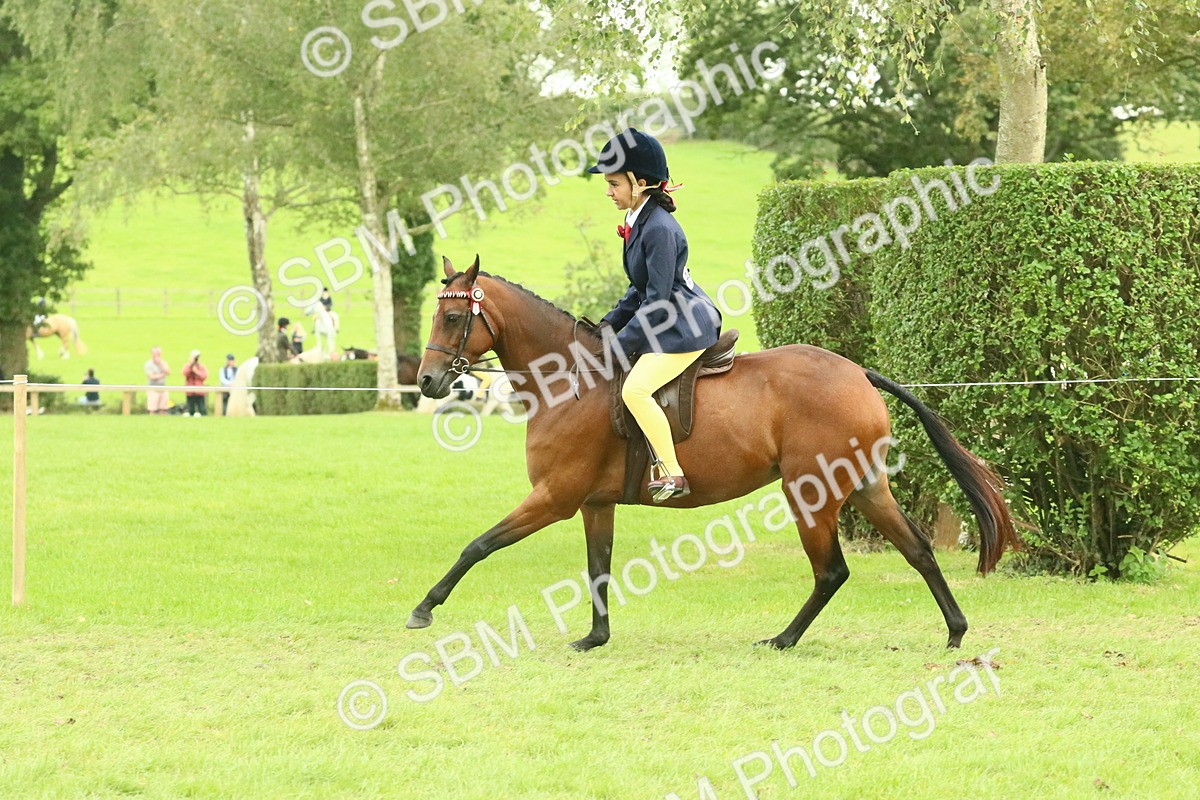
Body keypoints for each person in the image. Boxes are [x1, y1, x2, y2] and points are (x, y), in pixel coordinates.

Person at [587, 127, 722, 502]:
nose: (608, 192)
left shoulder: (659, 229)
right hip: (668, 315)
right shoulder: (640, 221)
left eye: (614, 184)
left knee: (635, 389)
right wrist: (607, 325)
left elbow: (658, 302)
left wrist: (619, 345)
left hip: (684, 325)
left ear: (640, 183)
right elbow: (639, 289)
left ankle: (673, 473)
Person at [182, 349, 209, 416]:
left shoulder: (201, 367)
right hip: (190, 391)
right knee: (191, 410)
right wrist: (190, 366)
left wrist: (196, 371)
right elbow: (184, 373)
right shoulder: (188, 366)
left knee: (202, 409)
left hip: (199, 391)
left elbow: (204, 376)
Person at [145, 347, 170, 415]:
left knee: (163, 408)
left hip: (163, 387)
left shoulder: (163, 363)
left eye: (159, 354)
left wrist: (160, 364)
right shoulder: (149, 364)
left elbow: (168, 372)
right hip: (152, 388)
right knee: (152, 409)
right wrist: (162, 375)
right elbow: (151, 377)